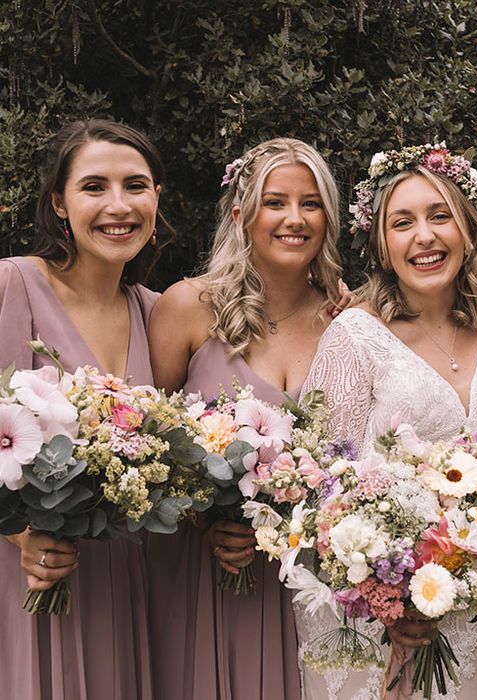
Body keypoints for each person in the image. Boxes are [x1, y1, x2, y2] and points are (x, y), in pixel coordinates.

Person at [298, 143, 477, 699]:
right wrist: (382, 586)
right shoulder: (353, 337)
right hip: (376, 607)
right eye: (403, 222)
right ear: (382, 245)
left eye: (440, 216)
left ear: (469, 229)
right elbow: (320, 480)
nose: (425, 236)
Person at [146, 137, 344, 699]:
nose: (295, 219)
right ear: (241, 214)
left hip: (304, 577)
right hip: (202, 567)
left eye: (311, 203)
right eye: (275, 202)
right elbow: (150, 444)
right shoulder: (186, 306)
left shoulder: (346, 317)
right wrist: (205, 521)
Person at [0, 119, 166, 699]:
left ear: (157, 200)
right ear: (59, 204)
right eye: (94, 186)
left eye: (135, 186)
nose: (118, 206)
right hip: (24, 580)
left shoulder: (158, 313)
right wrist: (21, 533)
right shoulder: (11, 285)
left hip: (123, 586)